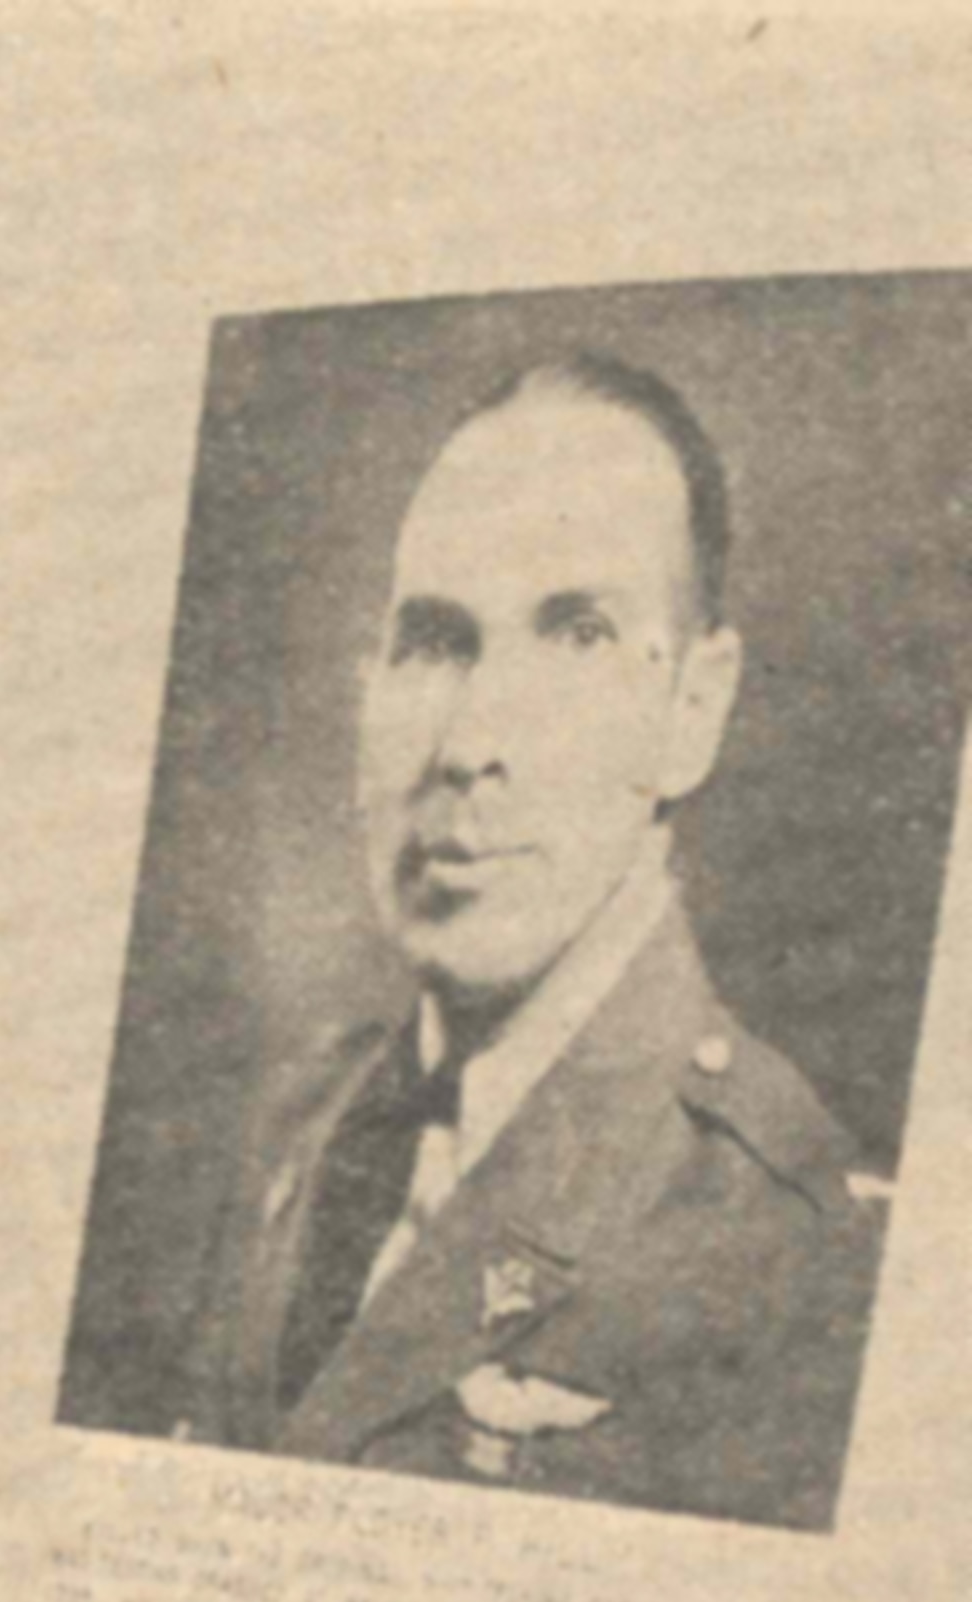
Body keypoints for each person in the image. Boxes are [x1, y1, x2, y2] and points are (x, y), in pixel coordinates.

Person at [177, 354, 881, 1532]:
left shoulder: (799, 1247)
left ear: (691, 710)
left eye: (576, 634)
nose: (468, 741)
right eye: (435, 640)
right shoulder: (294, 1120)